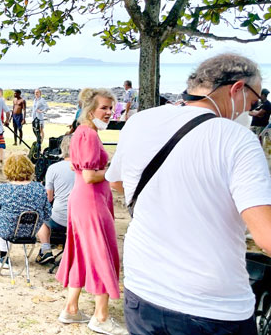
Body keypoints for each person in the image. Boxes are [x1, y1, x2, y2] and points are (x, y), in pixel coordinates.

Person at [106, 53, 271, 334]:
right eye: (254, 102)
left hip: (143, 288)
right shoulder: (237, 139)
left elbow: (118, 183)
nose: (252, 110)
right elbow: (265, 235)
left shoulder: (140, 121)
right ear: (237, 89)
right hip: (211, 306)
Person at [55, 88, 125, 335]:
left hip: (86, 200)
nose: (109, 112)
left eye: (111, 108)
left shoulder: (84, 132)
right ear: (90, 109)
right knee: (101, 254)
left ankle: (71, 308)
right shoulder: (88, 135)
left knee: (83, 253)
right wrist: (117, 170)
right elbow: (89, 176)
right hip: (90, 200)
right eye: (104, 108)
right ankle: (101, 317)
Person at [0, 153, 51, 266]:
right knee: (2, 214)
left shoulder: (2, 189)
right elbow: (47, 214)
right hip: (31, 231)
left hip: (8, 230)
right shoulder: (39, 188)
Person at [36, 135, 74, 264]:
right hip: (81, 219)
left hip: (59, 218)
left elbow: (49, 197)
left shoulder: (53, 168)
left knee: (41, 218)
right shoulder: (87, 170)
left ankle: (46, 248)